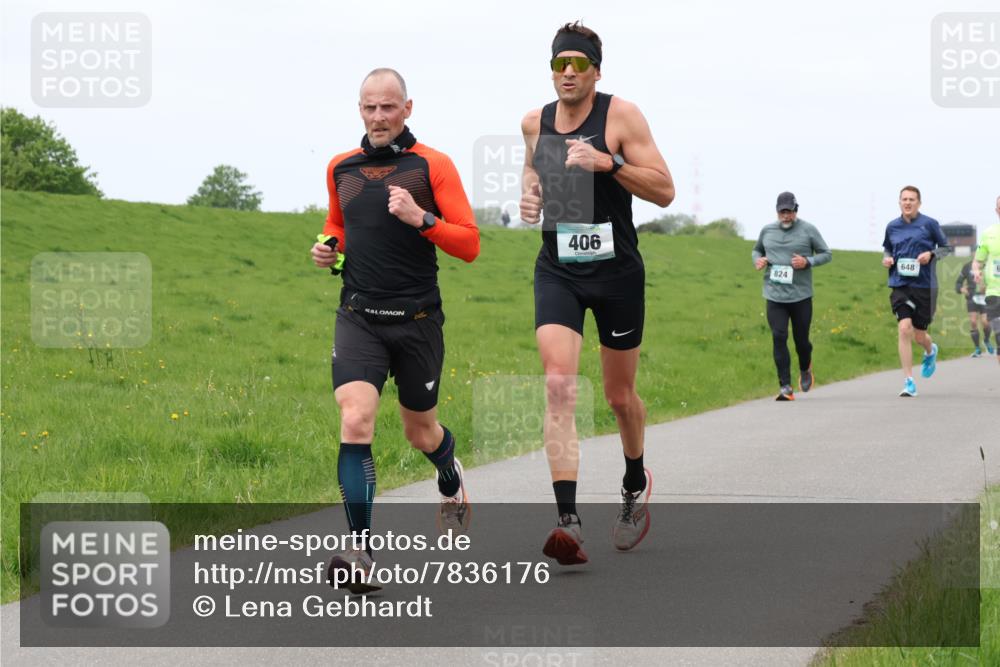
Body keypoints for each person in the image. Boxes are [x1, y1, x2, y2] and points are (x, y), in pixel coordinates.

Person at [311, 68, 480, 592]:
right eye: (369, 108)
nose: (378, 117)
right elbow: (340, 225)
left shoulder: (433, 165)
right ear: (359, 109)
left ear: (408, 108)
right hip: (359, 315)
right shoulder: (341, 167)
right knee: (356, 418)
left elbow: (469, 244)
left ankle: (449, 480)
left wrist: (420, 218)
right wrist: (328, 251)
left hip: (417, 322)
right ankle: (359, 551)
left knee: (419, 432)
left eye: (388, 107)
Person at [518, 21, 675, 565]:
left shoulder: (621, 115)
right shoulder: (533, 122)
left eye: (578, 64)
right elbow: (531, 176)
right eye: (559, 63)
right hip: (558, 267)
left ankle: (634, 480)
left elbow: (664, 189)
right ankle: (568, 519)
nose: (567, 72)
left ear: (596, 71)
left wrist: (609, 162)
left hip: (616, 274)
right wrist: (529, 200)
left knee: (617, 397)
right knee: (559, 383)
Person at [752, 192, 832, 401]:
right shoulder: (767, 230)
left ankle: (805, 368)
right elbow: (757, 250)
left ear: (796, 210)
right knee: (779, 337)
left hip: (800, 296)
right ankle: (785, 386)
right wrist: (758, 261)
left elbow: (826, 253)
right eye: (782, 211)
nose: (786, 215)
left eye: (789, 211)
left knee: (801, 340)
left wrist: (808, 262)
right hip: (774, 294)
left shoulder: (808, 230)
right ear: (777, 211)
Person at [881, 186, 948, 396]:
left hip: (925, 286)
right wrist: (887, 259)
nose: (907, 203)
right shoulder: (892, 226)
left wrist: (931, 254)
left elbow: (946, 248)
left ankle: (930, 350)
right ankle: (909, 381)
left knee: (919, 336)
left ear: (919, 203)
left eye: (912, 199)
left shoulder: (929, 224)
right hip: (900, 284)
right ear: (899, 202)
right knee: (903, 328)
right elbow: (888, 248)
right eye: (904, 199)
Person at [972, 195, 1000, 366]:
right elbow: (978, 260)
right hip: (994, 293)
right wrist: (976, 271)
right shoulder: (988, 233)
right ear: (997, 210)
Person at [955, 258, 994, 357]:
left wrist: (987, 288)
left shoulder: (989, 266)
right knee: (973, 322)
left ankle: (986, 340)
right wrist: (961, 289)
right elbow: (958, 283)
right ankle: (977, 348)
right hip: (971, 297)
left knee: (985, 322)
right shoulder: (967, 266)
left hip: (985, 298)